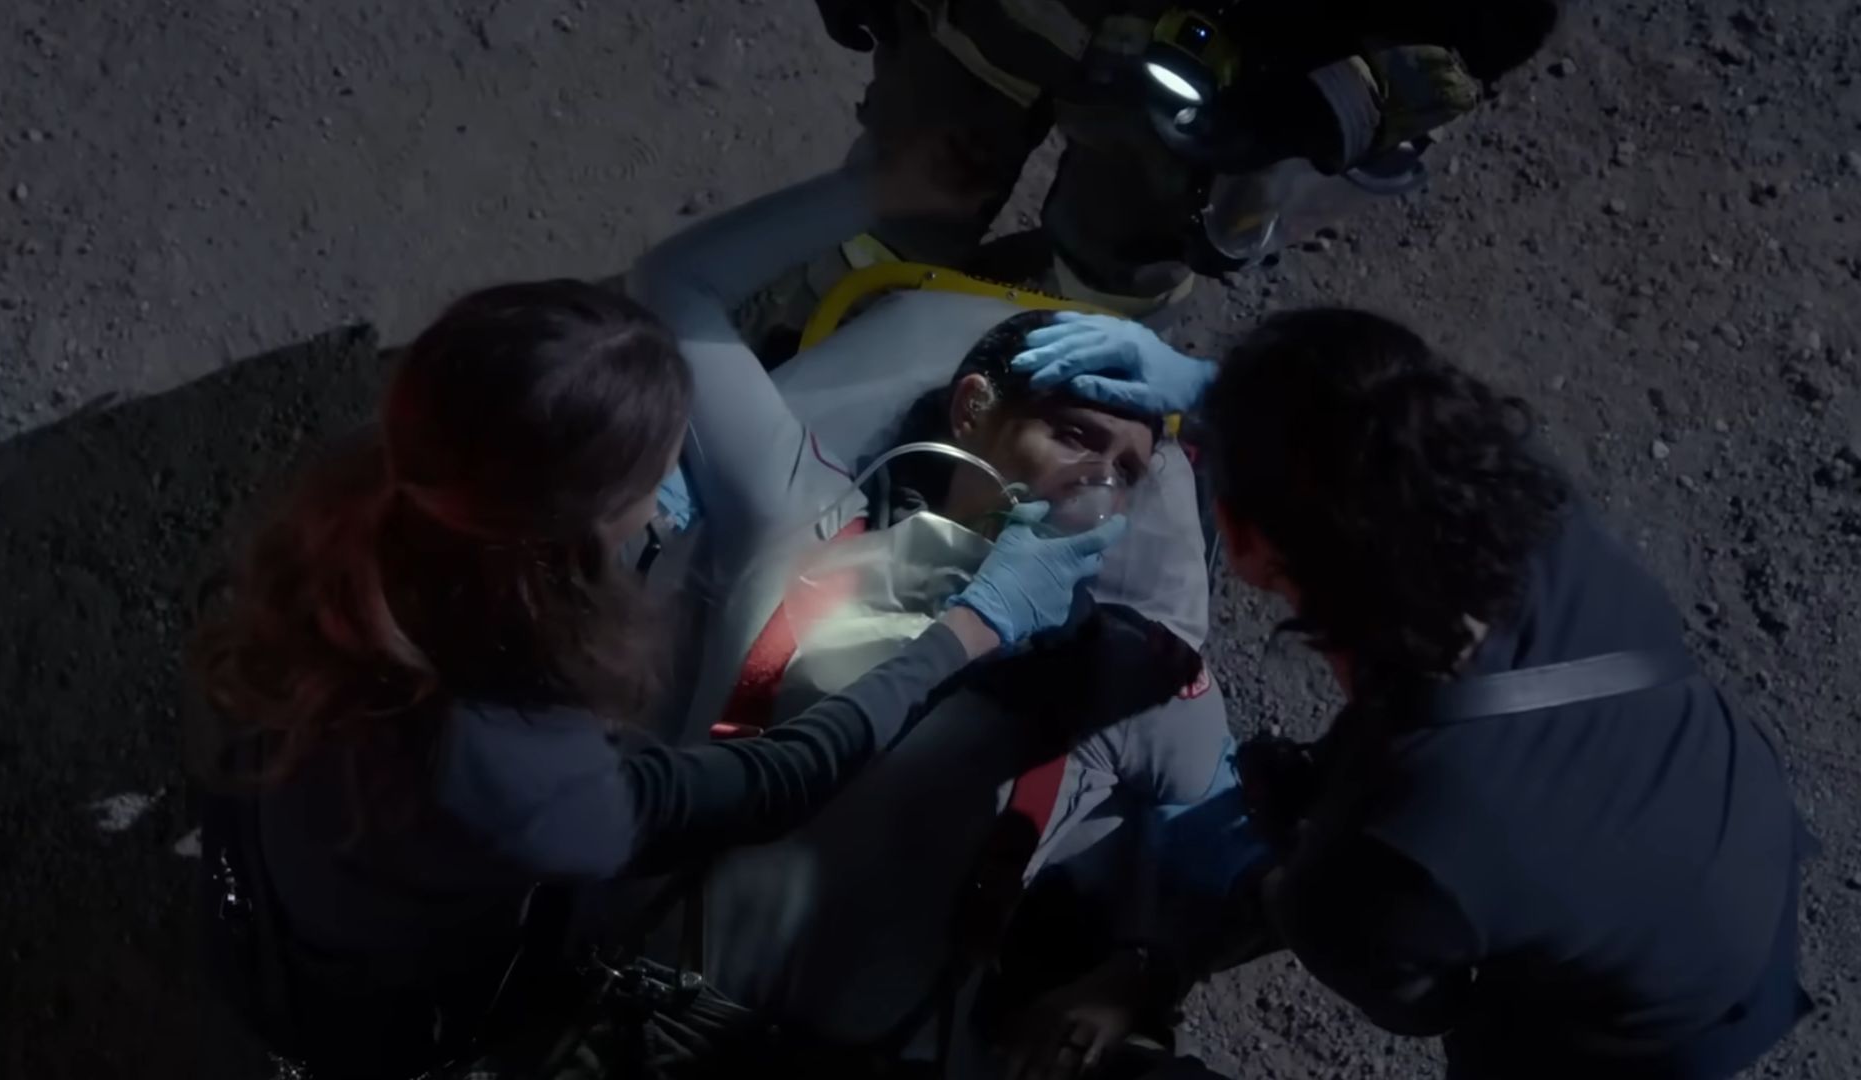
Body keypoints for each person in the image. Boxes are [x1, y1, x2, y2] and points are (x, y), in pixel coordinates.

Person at [187, 280, 1123, 1077]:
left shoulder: (377, 496)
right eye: (659, 467)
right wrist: (972, 627)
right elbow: (779, 779)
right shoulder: (527, 776)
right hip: (371, 1003)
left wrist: (866, 186)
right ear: (583, 519)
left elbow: (676, 279)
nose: (674, 480)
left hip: (276, 860)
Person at [1003, 309, 1813, 1079]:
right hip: (1741, 837)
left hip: (1640, 1031)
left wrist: (1151, 964)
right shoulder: (1535, 506)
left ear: (1242, 544)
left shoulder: (1392, 852)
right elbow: (1380, 428)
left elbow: (1425, 1002)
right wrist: (1212, 391)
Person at [625, 156, 1237, 1056]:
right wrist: (875, 187)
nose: (1097, 480)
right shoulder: (799, 511)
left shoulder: (1126, 681)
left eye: (1128, 470)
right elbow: (671, 289)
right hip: (637, 1021)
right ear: (973, 409)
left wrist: (1136, 976)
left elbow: (1244, 848)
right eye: (1073, 434)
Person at [812, 0, 1559, 314]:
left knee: (1096, 293)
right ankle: (818, 339)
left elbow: (1496, 22)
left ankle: (1022, 422)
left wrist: (1331, 102)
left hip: (1230, 92)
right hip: (988, 24)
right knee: (885, 222)